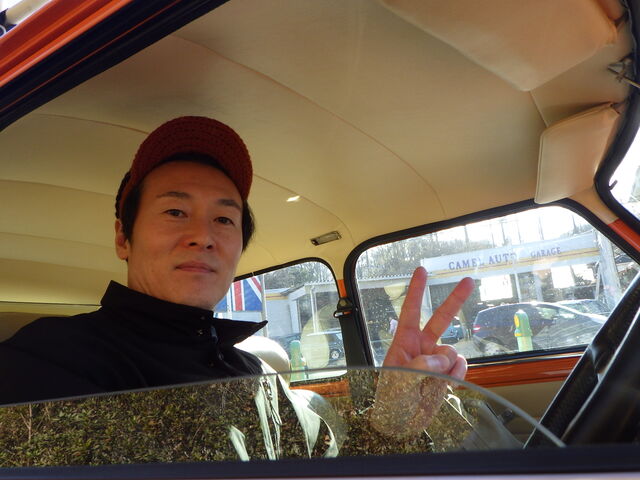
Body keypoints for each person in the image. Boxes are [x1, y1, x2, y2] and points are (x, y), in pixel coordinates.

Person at [0, 116, 474, 408]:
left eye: (224, 220)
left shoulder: (254, 373)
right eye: (175, 212)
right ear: (124, 237)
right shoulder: (50, 358)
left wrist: (392, 416)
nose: (203, 236)